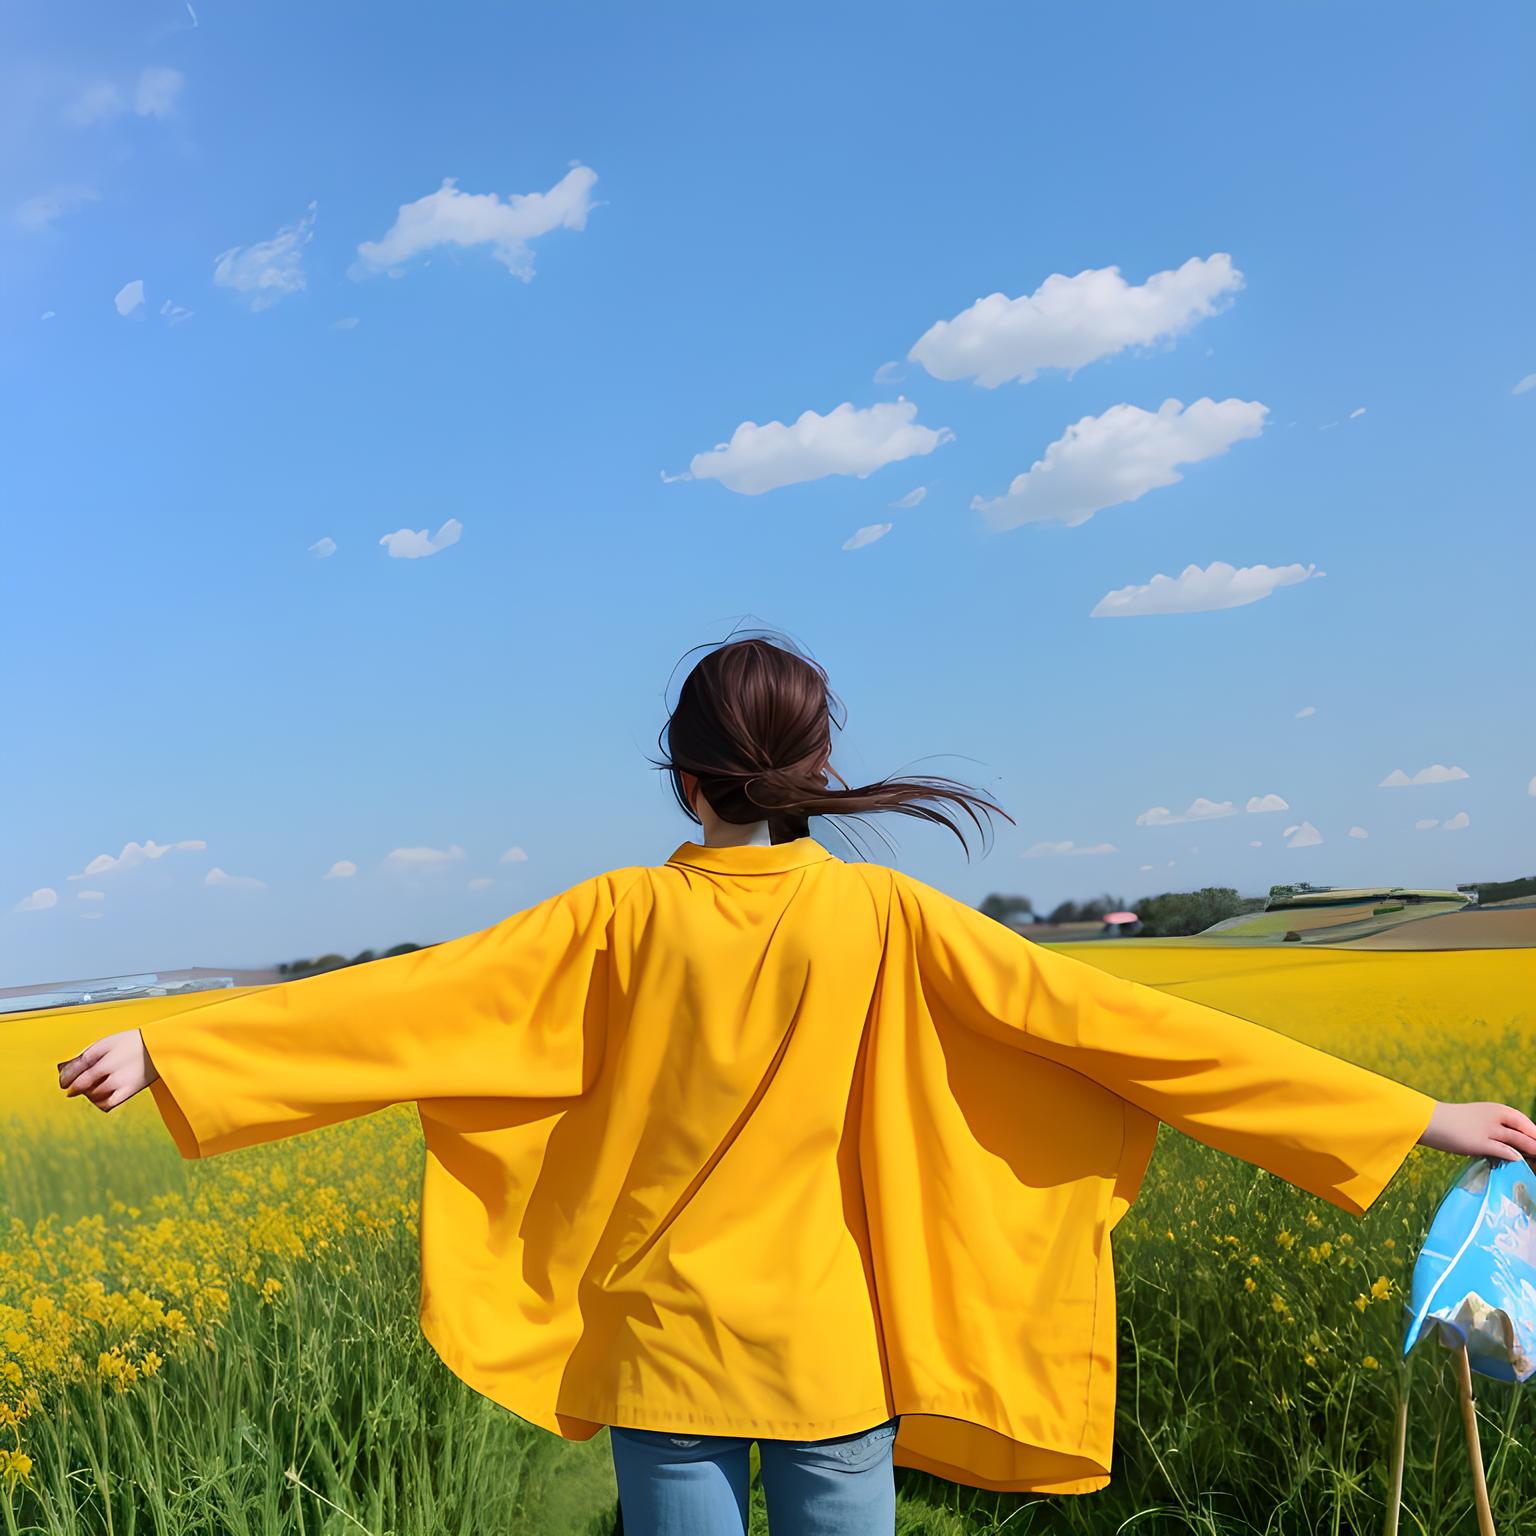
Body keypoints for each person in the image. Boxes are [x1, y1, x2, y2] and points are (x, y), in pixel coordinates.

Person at [57, 633, 1536, 1536]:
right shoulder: (887, 919)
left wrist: (180, 1049)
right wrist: (1411, 1114)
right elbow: (1122, 1027)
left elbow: (402, 1007)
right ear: (816, 769)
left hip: (661, 1353)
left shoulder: (614, 919)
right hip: (834, 1360)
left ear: (683, 780)